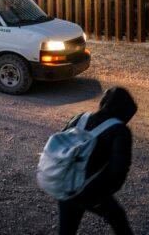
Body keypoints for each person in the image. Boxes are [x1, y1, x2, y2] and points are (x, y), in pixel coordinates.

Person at [57, 87, 137, 235]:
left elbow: (60, 146)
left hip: (65, 183)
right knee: (118, 220)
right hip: (89, 190)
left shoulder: (80, 117)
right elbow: (118, 170)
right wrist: (103, 194)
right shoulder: (120, 131)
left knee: (67, 229)